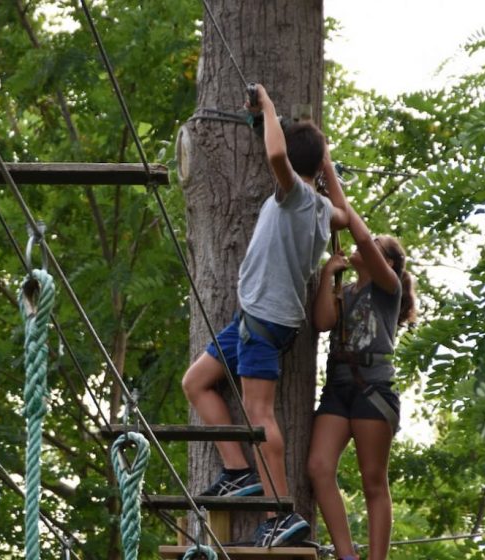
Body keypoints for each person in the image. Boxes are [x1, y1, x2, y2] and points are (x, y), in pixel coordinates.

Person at [181, 83, 350, 547]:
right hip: (254, 318)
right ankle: (238, 470)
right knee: (196, 382)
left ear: (296, 171)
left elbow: (278, 158)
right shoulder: (322, 211)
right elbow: (344, 211)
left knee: (259, 413)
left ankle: (281, 510)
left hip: (265, 319)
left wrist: (272, 106)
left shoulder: (295, 196)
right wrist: (325, 164)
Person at [307, 209, 417, 560]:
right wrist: (327, 275)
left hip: (374, 389)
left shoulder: (388, 288)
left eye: (374, 246)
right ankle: (346, 555)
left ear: (384, 261)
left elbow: (364, 239)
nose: (362, 246)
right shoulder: (345, 290)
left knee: (372, 480)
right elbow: (323, 322)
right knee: (319, 467)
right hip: (338, 388)